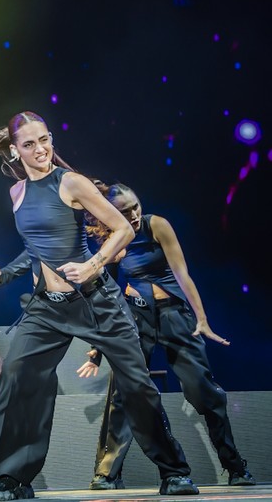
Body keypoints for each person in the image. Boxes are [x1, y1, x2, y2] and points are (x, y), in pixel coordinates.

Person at [0, 112, 198, 500]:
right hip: (47, 308)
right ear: (15, 151)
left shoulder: (70, 182)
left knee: (136, 386)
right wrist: (3, 275)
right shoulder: (17, 193)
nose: (41, 150)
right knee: (17, 377)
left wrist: (93, 264)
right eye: (30, 144)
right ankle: (10, 479)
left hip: (95, 301)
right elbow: (35, 246)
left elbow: (122, 228)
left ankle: (174, 471)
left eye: (45, 140)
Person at [76, 183, 254, 489]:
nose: (133, 214)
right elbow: (108, 298)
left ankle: (235, 466)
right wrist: (97, 348)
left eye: (134, 206)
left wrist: (202, 319)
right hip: (135, 318)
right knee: (124, 392)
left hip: (174, 315)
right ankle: (106, 474)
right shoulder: (113, 243)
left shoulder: (155, 224)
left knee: (203, 391)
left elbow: (182, 274)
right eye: (123, 211)